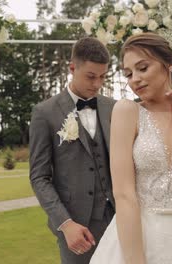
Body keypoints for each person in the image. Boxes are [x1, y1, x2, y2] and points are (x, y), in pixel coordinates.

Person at [90, 32, 172, 264]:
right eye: (129, 74)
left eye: (143, 68)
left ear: (168, 64)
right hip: (136, 240)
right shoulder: (127, 112)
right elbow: (123, 195)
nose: (135, 79)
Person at [29, 37, 116, 264]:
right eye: (90, 76)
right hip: (77, 228)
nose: (97, 84)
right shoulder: (44, 113)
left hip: (119, 221)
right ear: (72, 68)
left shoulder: (114, 108)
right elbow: (39, 177)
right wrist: (65, 224)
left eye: (102, 77)